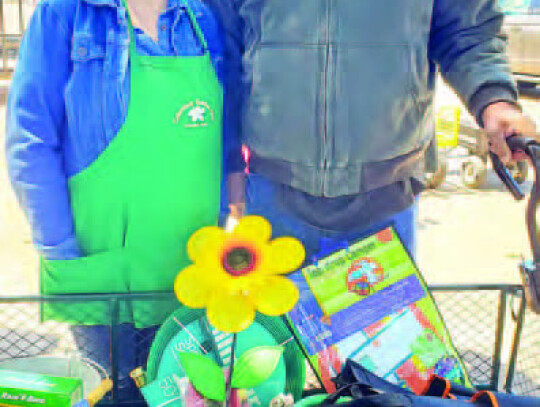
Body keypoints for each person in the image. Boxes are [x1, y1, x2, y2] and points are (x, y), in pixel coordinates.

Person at [6, 0, 242, 400]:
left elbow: (226, 130)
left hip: (191, 270)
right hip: (101, 268)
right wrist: (60, 247)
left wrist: (228, 214)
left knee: (186, 394)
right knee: (115, 396)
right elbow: (29, 138)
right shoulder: (66, 13)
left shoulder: (203, 17)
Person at [216, 1, 539, 293]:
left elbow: (469, 32)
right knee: (274, 350)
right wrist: (229, 164)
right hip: (273, 190)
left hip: (386, 192)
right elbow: (224, 48)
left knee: (381, 349)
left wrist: (494, 101)